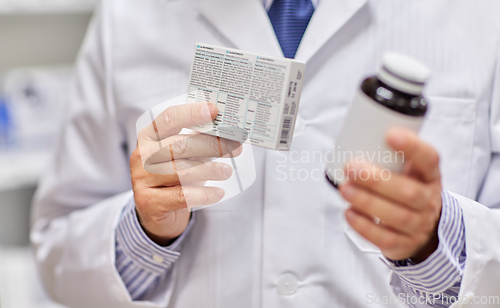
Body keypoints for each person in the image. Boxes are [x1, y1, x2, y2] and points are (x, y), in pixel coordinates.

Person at [31, 0, 500, 307]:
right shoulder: (128, 16)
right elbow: (57, 246)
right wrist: (146, 229)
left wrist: (437, 242)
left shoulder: (480, 15)